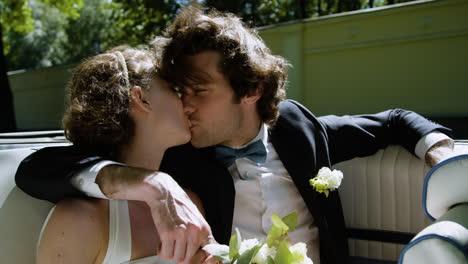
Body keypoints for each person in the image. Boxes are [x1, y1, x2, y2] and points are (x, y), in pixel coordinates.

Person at [16, 7, 455, 264]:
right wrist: (153, 183)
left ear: (251, 90)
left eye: (198, 92)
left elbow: (395, 121)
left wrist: (440, 152)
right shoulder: (178, 160)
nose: (186, 105)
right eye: (178, 92)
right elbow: (41, 167)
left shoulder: (299, 130)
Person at [35, 46, 215, 264]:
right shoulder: (80, 219)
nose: (188, 105)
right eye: (174, 90)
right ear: (141, 98)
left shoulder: (188, 203)